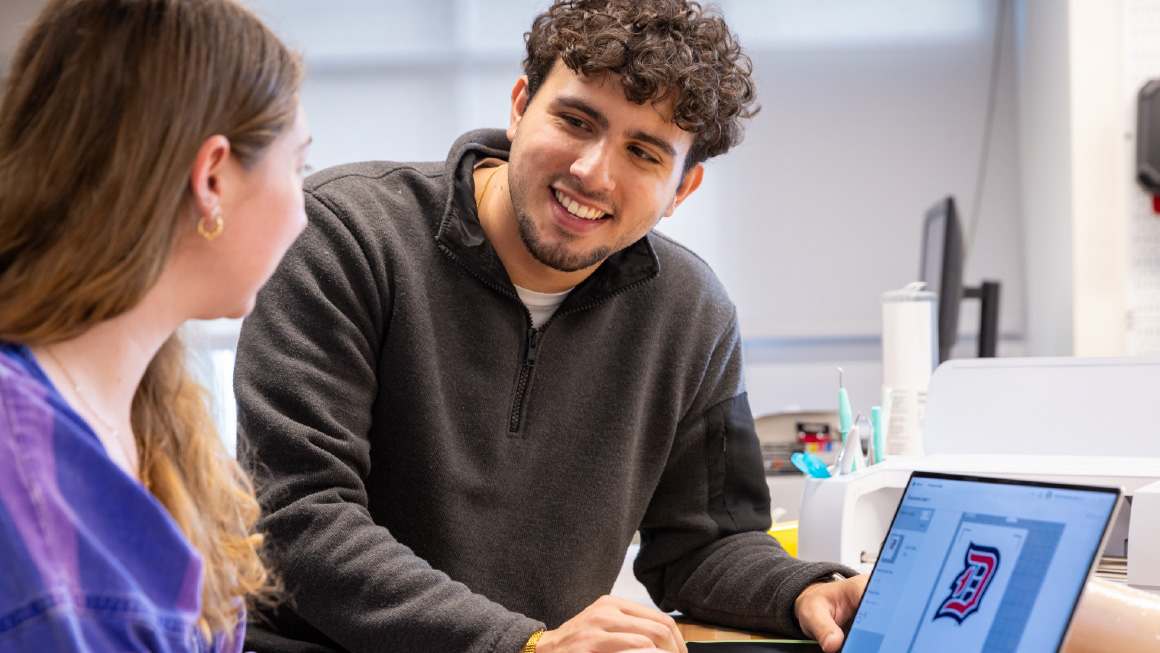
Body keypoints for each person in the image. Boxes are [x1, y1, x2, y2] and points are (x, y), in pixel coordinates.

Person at [236, 1, 865, 652]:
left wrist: (801, 591)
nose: (592, 172)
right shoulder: (343, 237)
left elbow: (705, 544)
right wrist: (523, 644)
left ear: (683, 189)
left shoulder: (692, 313)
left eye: (644, 153)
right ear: (518, 107)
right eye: (575, 120)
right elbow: (297, 519)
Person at [0, 0, 310, 649]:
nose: (303, 216)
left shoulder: (156, 411)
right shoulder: (16, 456)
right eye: (298, 165)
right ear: (213, 177)